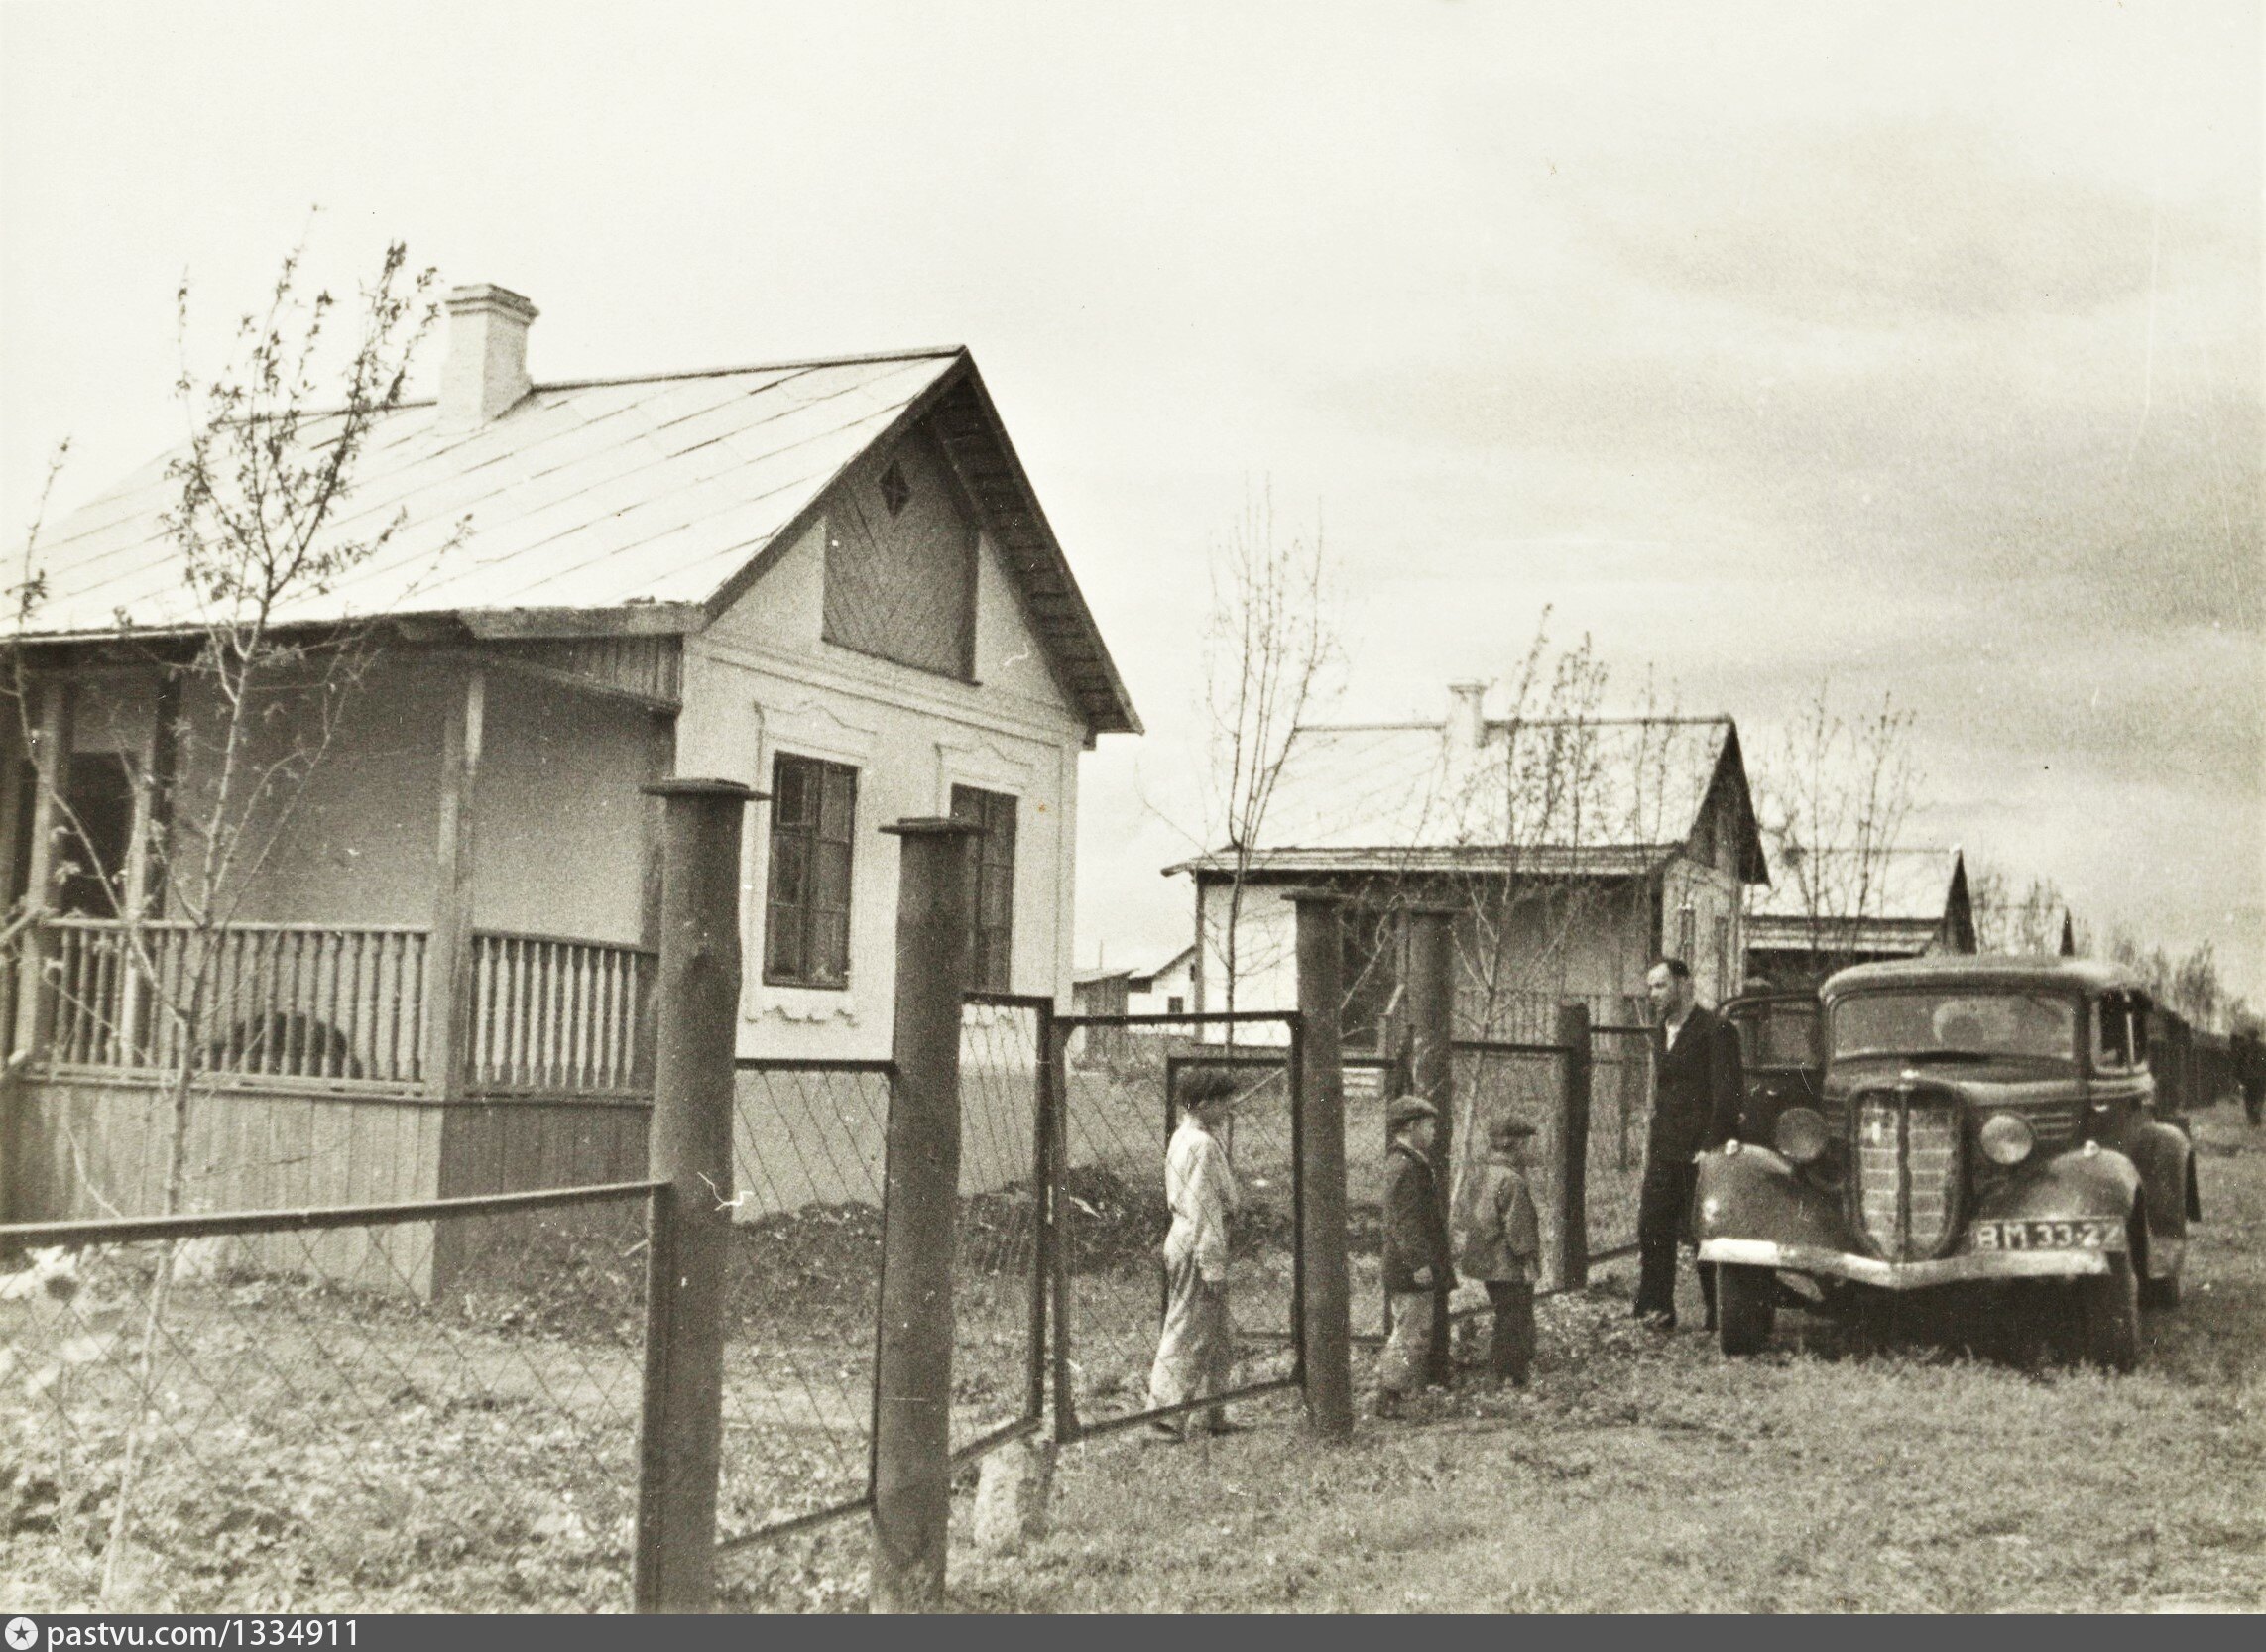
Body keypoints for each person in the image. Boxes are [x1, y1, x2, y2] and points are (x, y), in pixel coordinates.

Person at [1632, 957, 1744, 1331]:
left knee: (1705, 1236)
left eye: (1660, 985)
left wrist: (1710, 1144)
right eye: (1650, 987)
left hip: (1701, 1152)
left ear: (1682, 983)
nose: (1653, 994)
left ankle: (1720, 1316)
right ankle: (1657, 1310)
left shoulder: (1715, 1030)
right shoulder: (1660, 1030)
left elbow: (1727, 1094)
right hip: (1665, 1149)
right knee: (1652, 1225)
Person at [1146, 1065, 1243, 1439]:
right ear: (1203, 1103)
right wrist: (1212, 1265)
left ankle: (1211, 1412)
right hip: (1197, 1242)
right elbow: (1203, 1207)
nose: (1228, 1109)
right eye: (1223, 1102)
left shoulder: (1186, 1137)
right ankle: (1163, 1418)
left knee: (1218, 1335)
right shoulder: (1200, 1145)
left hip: (1193, 1238)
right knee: (1187, 1331)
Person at [1376, 1095, 1456, 1419]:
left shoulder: (1411, 1162)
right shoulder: (1404, 1165)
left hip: (1414, 1265)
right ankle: (1390, 1396)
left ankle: (1400, 1393)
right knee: (1409, 1333)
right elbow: (1403, 1220)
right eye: (1430, 1125)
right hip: (1410, 1268)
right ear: (1412, 1127)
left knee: (1415, 1331)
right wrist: (1419, 1262)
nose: (1435, 1131)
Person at [1455, 1114, 1541, 1386]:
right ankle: (1509, 1375)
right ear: (1514, 1145)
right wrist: (1528, 1261)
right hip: (1506, 1263)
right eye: (1525, 1143)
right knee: (1514, 1318)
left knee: (1506, 1313)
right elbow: (1519, 1227)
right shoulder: (1512, 1180)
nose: (1528, 1149)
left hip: (1484, 1260)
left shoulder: (1480, 1174)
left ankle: (1505, 1370)